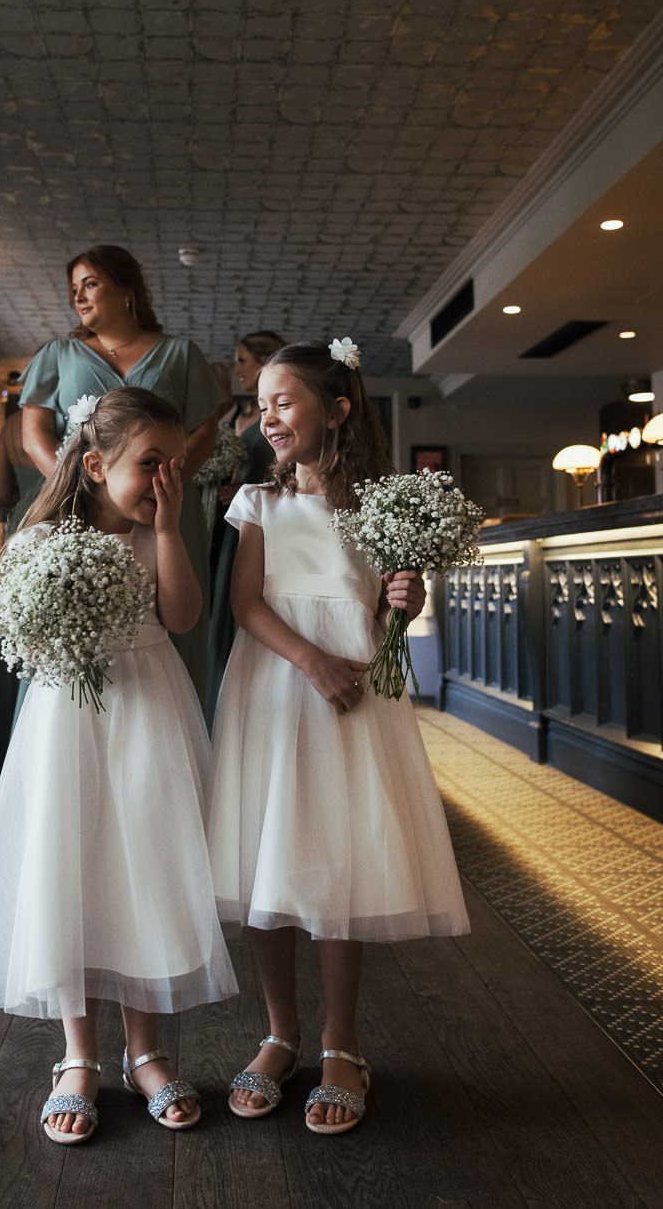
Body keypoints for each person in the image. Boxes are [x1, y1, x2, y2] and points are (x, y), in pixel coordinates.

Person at [0, 388, 238, 1145]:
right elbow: (15, 637)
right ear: (93, 465)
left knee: (143, 868)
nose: (165, 481)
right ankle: (78, 1057)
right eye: (151, 465)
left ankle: (146, 1050)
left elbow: (182, 620)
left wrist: (172, 527)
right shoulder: (38, 541)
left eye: (176, 466)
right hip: (66, 726)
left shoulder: (157, 534)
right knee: (70, 867)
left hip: (148, 714)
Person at [208, 339, 469, 1136]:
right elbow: (245, 605)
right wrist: (309, 659)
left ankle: (340, 1045)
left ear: (338, 410)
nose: (268, 416)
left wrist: (406, 597)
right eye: (262, 404)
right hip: (278, 683)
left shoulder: (383, 504)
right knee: (268, 856)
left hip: (355, 692)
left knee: (336, 860)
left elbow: (388, 616)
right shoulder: (259, 501)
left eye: (284, 401)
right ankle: (280, 1031)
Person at [18, 245, 226, 707]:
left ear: (126, 288)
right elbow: (33, 433)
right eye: (73, 289)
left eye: (90, 283)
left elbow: (205, 431)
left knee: (170, 622)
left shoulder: (179, 353)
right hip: (80, 509)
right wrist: (86, 489)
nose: (79, 297)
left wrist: (160, 488)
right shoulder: (58, 354)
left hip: (163, 507)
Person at [206, 330, 284, 727]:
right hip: (223, 526)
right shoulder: (237, 417)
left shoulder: (278, 420)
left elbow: (287, 471)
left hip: (261, 521)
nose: (237, 369)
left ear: (265, 361)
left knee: (250, 600)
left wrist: (246, 489)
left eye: (242, 361)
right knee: (220, 604)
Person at [0, 401, 42, 794]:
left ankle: (3, 752)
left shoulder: (15, 425)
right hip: (65, 522)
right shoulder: (75, 414)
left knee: (16, 645)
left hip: (22, 528)